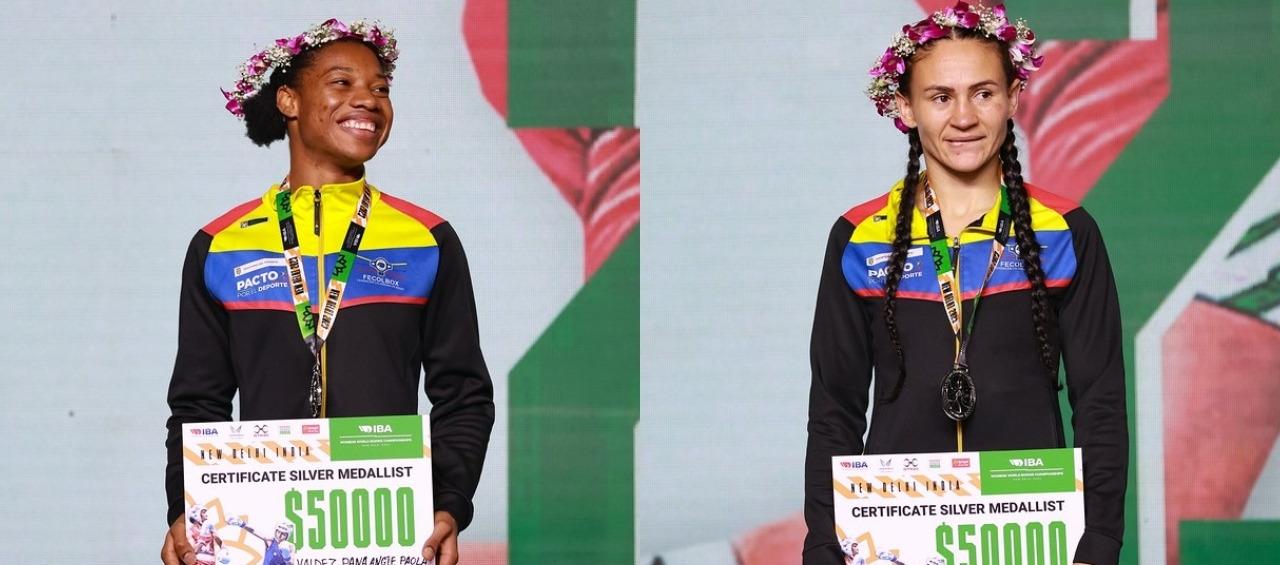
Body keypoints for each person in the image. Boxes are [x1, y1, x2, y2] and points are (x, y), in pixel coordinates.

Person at [160, 19, 495, 565]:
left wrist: (449, 505)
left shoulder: (427, 238)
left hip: (386, 528)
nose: (368, 98)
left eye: (381, 88)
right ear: (288, 100)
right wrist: (185, 509)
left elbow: (463, 393)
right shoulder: (219, 244)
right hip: (258, 531)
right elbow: (198, 403)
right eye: (343, 83)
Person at [804, 3, 1126, 565]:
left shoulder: (1065, 232)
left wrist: (1099, 540)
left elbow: (1100, 403)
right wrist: (825, 542)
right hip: (893, 534)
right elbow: (835, 406)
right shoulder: (860, 236)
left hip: (1032, 527)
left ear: (1014, 97)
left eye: (983, 93)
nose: (964, 118)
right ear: (904, 106)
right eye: (939, 96)